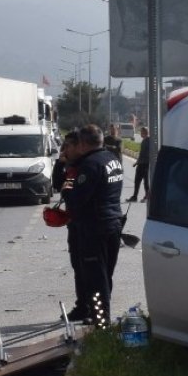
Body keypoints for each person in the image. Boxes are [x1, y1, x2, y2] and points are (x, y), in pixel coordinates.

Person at [64, 124, 124, 327]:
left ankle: (101, 321)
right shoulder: (112, 159)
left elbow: (76, 199)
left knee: (96, 278)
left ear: (82, 144)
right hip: (113, 224)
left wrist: (67, 186)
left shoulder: (89, 165)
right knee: (106, 274)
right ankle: (100, 317)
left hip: (94, 228)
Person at [53, 131, 89, 320]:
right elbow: (57, 184)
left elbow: (75, 195)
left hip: (87, 225)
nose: (64, 149)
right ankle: (82, 305)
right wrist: (59, 163)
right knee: (77, 266)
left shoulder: (86, 166)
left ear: (78, 146)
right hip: (74, 223)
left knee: (88, 268)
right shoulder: (71, 165)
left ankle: (94, 310)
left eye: (68, 146)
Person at [128, 126, 151, 202]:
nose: (140, 133)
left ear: (145, 132)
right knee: (140, 181)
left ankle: (144, 197)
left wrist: (139, 162)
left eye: (141, 132)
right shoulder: (145, 140)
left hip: (144, 164)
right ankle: (136, 196)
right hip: (142, 164)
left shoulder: (147, 141)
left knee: (143, 181)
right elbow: (142, 154)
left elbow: (145, 154)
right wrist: (136, 162)